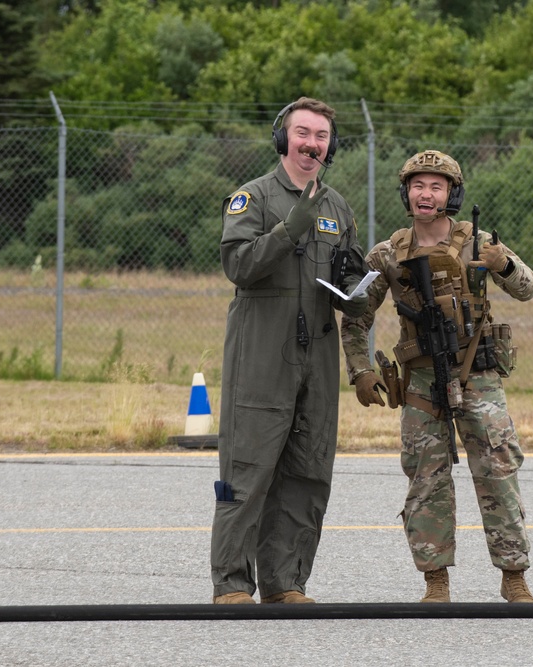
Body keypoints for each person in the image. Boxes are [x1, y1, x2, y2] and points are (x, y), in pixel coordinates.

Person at [341, 150, 533, 603]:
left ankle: (514, 577)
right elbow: (354, 315)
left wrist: (502, 264)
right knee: (426, 478)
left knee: (497, 470)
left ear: (452, 193)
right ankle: (435, 582)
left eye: (436, 186)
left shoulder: (478, 243)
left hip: (478, 375)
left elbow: (527, 288)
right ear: (406, 193)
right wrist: (361, 371)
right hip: (421, 381)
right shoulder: (388, 253)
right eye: (418, 185)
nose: (426, 194)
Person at [211, 97, 369, 604]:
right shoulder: (252, 198)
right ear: (284, 138)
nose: (312, 144)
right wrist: (289, 228)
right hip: (261, 351)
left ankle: (286, 582)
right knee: (249, 466)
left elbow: (345, 279)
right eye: (303, 133)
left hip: (317, 354)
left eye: (322, 136)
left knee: (308, 468)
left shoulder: (338, 207)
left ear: (331, 146)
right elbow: (238, 266)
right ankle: (233, 583)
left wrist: (359, 285)